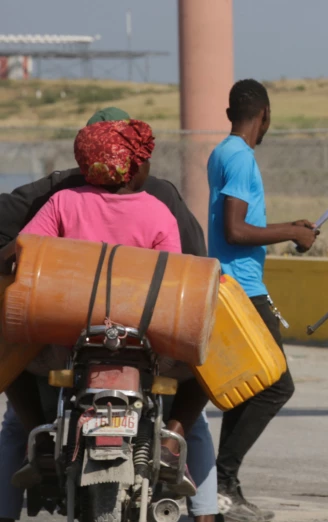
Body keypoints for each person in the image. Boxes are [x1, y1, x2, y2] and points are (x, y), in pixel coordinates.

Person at [0, 117, 217, 522]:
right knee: (204, 374)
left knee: (12, 373)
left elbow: (25, 252)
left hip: (71, 342)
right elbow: (171, 280)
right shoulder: (156, 212)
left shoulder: (63, 203)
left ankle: (39, 441)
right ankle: (174, 436)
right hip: (141, 346)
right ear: (134, 167)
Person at [207, 79, 317, 522]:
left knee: (246, 390)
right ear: (264, 115)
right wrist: (291, 233)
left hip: (234, 285)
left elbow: (239, 223)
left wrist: (288, 225)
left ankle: (222, 488)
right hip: (242, 291)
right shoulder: (240, 158)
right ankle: (221, 480)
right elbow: (235, 230)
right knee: (276, 386)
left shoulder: (221, 152)